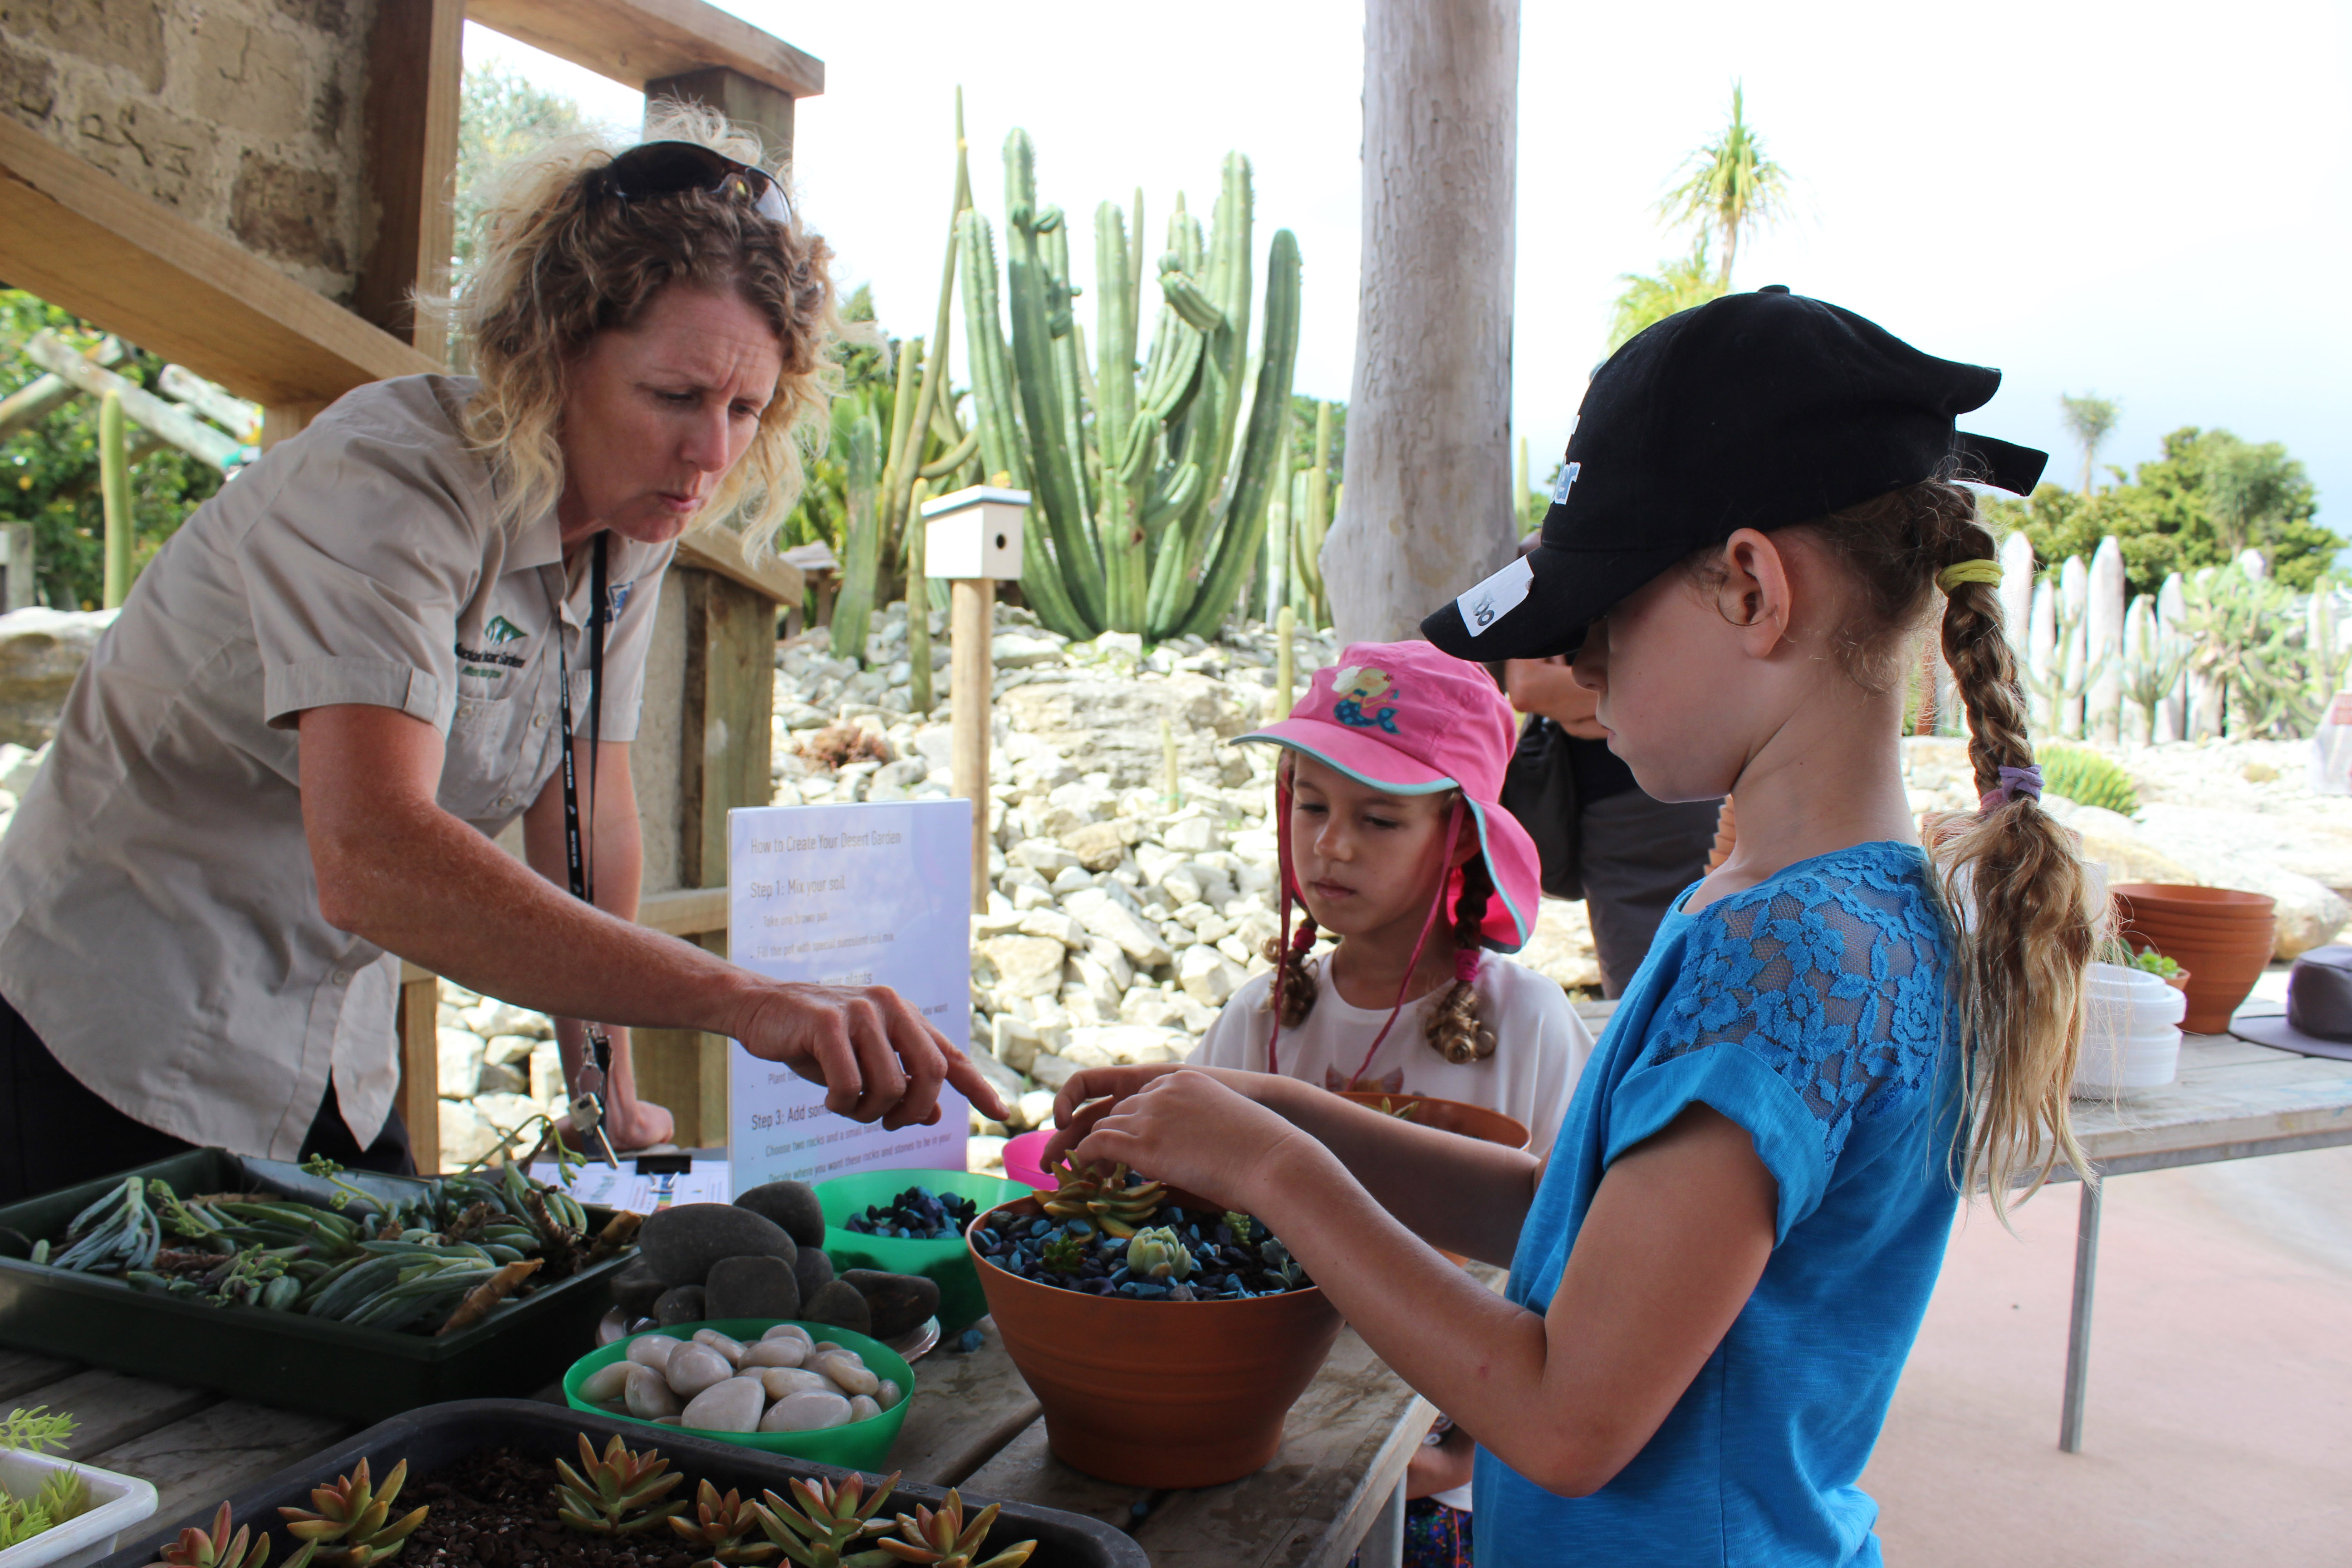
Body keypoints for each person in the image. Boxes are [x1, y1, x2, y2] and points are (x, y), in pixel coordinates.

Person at [1046, 287, 2088, 1564]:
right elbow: (1582, 1226)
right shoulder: (1840, 912)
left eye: (1598, 624)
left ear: (1754, 588)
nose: (1577, 674)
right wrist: (1270, 1112)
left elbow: (1566, 1413)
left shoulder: (1787, 961)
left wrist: (1274, 1174)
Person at [0, 112, 1003, 1204]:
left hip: (328, 1049)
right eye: (673, 397)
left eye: (743, 408)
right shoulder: (388, 480)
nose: (709, 455)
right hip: (106, 1036)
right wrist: (748, 1000)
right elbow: (373, 851)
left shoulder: (631, 522)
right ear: (551, 354)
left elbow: (590, 808)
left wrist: (601, 1070)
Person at [1191, 641, 1593, 1567]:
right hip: (1261, 1428)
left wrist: (1457, 1452)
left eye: (1379, 819)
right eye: (1310, 805)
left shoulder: (1526, 1022)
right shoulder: (1259, 1014)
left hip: (1448, 1478)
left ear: (1459, 835)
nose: (1331, 845)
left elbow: (1582, 1265)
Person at [1496, 533, 1724, 995]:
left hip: (1701, 810)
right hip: (1616, 826)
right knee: (1639, 1000)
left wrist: (1605, 708)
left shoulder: (1686, 539)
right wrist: (1655, 703)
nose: (1590, 669)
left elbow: (1709, 683)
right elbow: (1527, 686)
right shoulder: (1535, 555)